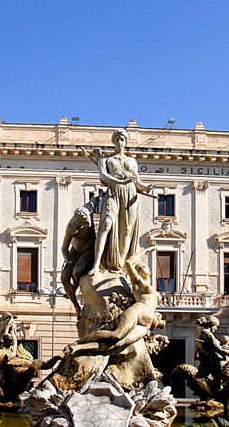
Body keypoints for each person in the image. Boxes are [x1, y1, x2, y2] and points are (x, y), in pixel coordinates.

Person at [80, 129, 155, 275]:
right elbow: (104, 177)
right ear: (113, 142)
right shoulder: (106, 159)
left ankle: (120, 267)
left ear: (126, 142)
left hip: (130, 195)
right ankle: (96, 265)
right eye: (117, 140)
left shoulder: (132, 161)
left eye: (122, 139)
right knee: (106, 224)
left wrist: (146, 188)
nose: (119, 142)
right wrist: (121, 181)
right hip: (113, 193)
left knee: (127, 231)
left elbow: (137, 182)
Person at [65, 247, 163, 355]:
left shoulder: (149, 286)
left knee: (120, 344)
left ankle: (84, 348)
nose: (143, 266)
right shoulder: (139, 283)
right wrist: (145, 251)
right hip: (137, 312)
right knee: (116, 335)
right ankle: (80, 344)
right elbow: (128, 263)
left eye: (144, 266)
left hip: (145, 324)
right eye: (140, 267)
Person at [60, 192, 101, 314]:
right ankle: (76, 307)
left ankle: (75, 287)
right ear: (78, 222)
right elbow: (64, 248)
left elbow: (95, 198)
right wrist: (68, 260)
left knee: (77, 271)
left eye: (88, 220)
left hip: (89, 250)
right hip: (76, 250)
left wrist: (101, 194)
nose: (89, 223)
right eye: (85, 222)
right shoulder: (71, 228)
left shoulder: (88, 208)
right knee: (64, 278)